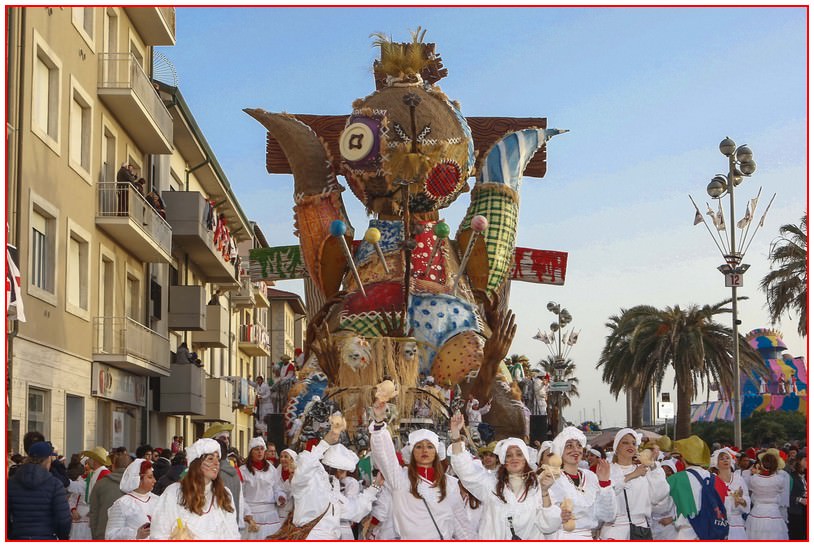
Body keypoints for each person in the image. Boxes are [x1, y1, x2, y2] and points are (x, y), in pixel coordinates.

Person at [369, 395, 475, 539]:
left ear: (436, 452)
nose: (424, 450)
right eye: (419, 446)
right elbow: (384, 456)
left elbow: (460, 521)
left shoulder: (449, 483)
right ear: (411, 453)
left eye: (430, 447)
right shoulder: (399, 479)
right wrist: (379, 422)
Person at [448, 412, 560, 539]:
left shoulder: (538, 487)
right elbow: (465, 470)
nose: (514, 458)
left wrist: (544, 492)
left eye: (519, 454)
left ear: (526, 458)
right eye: (509, 455)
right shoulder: (491, 485)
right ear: (503, 460)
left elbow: (550, 526)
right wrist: (456, 436)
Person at [282, 414, 379, 539]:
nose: (341, 474)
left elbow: (354, 511)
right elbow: (303, 470)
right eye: (338, 470)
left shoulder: (332, 491)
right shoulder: (307, 483)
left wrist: (375, 487)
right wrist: (325, 443)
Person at [150, 438, 240, 539]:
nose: (216, 463)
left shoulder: (224, 494)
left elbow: (232, 534)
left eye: (217, 458)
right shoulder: (174, 493)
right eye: (210, 459)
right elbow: (159, 533)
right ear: (196, 464)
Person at [599, 429, 670, 539]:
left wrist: (653, 466)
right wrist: (632, 475)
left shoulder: (644, 470)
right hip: (615, 532)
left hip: (641, 531)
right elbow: (605, 496)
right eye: (625, 442)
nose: (630, 446)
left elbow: (659, 496)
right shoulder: (608, 470)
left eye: (633, 443)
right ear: (616, 447)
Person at [548, 426, 615, 540]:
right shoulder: (552, 478)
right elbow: (545, 517)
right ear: (560, 450)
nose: (576, 450)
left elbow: (607, 516)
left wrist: (604, 483)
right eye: (569, 446)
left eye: (579, 445)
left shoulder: (591, 477)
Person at [665, 435, 727, 540]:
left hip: (686, 534)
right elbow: (724, 509)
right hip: (713, 533)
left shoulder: (675, 479)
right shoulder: (718, 481)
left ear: (683, 457)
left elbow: (662, 506)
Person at [7, 441, 72, 540]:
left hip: (19, 537)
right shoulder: (55, 484)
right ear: (47, 460)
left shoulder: (11, 483)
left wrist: (11, 535)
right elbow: (63, 519)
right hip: (46, 537)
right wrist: (63, 537)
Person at [321, 440, 383, 539]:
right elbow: (354, 510)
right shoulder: (331, 489)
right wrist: (375, 487)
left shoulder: (318, 483)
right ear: (338, 470)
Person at [202, 422, 247, 530]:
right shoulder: (205, 469)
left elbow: (240, 498)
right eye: (223, 438)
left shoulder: (227, 468)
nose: (226, 441)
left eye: (227, 438)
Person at [238, 437, 283, 539]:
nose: (260, 452)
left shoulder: (272, 469)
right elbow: (240, 495)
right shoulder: (243, 471)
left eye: (262, 449)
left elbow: (277, 488)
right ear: (250, 452)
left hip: (270, 516)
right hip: (252, 515)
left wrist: (280, 496)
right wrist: (246, 513)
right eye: (256, 449)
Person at [105, 459, 157, 539]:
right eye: (150, 477)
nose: (154, 481)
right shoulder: (122, 504)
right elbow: (110, 535)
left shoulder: (158, 500)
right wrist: (135, 535)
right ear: (138, 479)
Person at [744, 450, 789, 539]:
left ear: (761, 464)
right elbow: (780, 490)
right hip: (774, 514)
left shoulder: (753, 479)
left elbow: (750, 489)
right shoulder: (780, 480)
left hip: (757, 513)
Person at [88, 451, 131, 539]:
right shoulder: (137, 485)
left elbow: (93, 512)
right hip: (130, 535)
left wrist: (95, 535)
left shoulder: (100, 484)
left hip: (103, 533)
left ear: (113, 466)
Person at [712, 447, 750, 540]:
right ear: (716, 462)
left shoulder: (738, 478)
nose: (725, 460)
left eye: (727, 458)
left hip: (737, 522)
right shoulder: (713, 480)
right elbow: (713, 501)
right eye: (721, 459)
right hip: (720, 522)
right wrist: (733, 501)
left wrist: (741, 501)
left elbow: (747, 498)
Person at [651, 459, 679, 540]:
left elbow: (683, 508)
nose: (666, 473)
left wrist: (672, 519)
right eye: (664, 470)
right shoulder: (652, 487)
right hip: (653, 526)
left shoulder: (677, 487)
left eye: (669, 471)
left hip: (670, 527)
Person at [66, 456, 92, 540]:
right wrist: (73, 510)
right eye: (86, 465)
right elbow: (72, 498)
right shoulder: (80, 479)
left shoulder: (99, 480)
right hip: (78, 520)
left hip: (91, 521)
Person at [787, 453, 807, 540]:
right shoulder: (791, 477)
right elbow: (785, 496)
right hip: (795, 513)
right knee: (796, 537)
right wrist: (799, 499)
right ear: (798, 461)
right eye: (805, 460)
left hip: (805, 513)